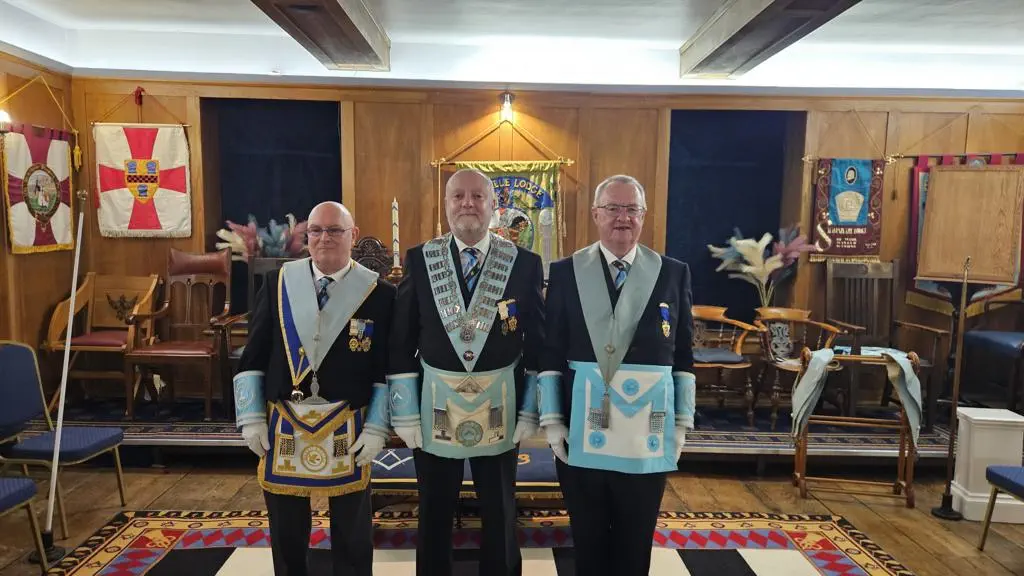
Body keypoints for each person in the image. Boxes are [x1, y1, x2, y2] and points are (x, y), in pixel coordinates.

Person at [388, 168, 545, 576]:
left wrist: (531, 410)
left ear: (494, 205)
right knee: (435, 508)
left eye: (478, 196)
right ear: (446, 205)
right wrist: (403, 414)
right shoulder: (421, 259)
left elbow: (538, 343)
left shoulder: (525, 264)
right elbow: (402, 340)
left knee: (500, 507)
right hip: (437, 402)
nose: (468, 204)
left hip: (501, 403)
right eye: (458, 196)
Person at [538, 174, 695, 576]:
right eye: (613, 208)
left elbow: (682, 355)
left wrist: (681, 423)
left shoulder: (672, 273)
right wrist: (553, 421)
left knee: (635, 537)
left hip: (647, 434)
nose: (622, 218)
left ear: (643, 216)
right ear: (596, 214)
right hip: (581, 428)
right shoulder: (566, 272)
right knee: (587, 537)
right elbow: (551, 352)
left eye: (631, 209)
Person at [232, 201, 394, 576]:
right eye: (316, 231)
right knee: (286, 527)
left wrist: (377, 427)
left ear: (352, 236)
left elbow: (387, 367)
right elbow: (253, 355)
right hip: (284, 420)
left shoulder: (380, 293)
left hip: (349, 424)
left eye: (334, 230)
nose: (324, 238)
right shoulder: (278, 283)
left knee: (353, 530)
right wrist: (251, 418)